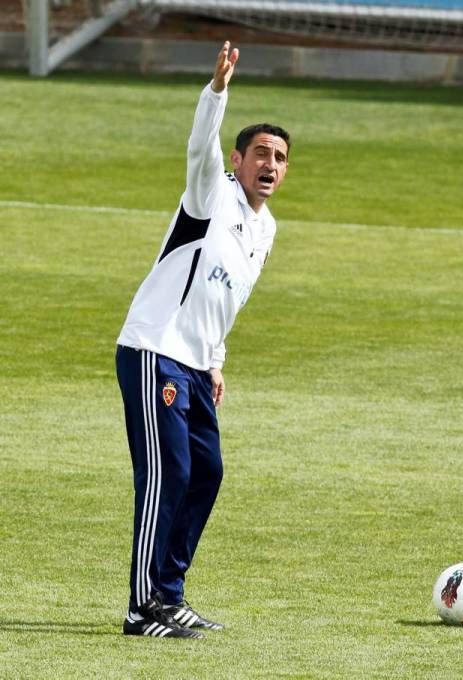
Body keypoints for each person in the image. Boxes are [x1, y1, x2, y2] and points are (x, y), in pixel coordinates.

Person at [115, 41, 290, 639]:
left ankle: (170, 592)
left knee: (206, 471)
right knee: (168, 473)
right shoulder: (209, 193)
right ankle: (142, 609)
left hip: (194, 364)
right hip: (153, 350)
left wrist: (215, 361)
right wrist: (217, 89)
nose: (270, 164)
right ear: (237, 161)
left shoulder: (266, 229)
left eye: (281, 158)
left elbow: (225, 298)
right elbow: (199, 145)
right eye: (260, 153)